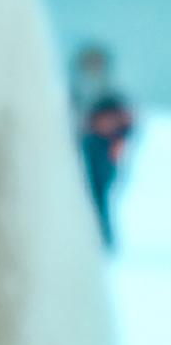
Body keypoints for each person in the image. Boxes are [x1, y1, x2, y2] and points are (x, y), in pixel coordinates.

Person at [71, 41, 138, 252]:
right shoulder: (75, 90)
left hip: (104, 151)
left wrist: (111, 134)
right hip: (79, 149)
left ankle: (103, 241)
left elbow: (128, 124)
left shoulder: (113, 93)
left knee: (99, 197)